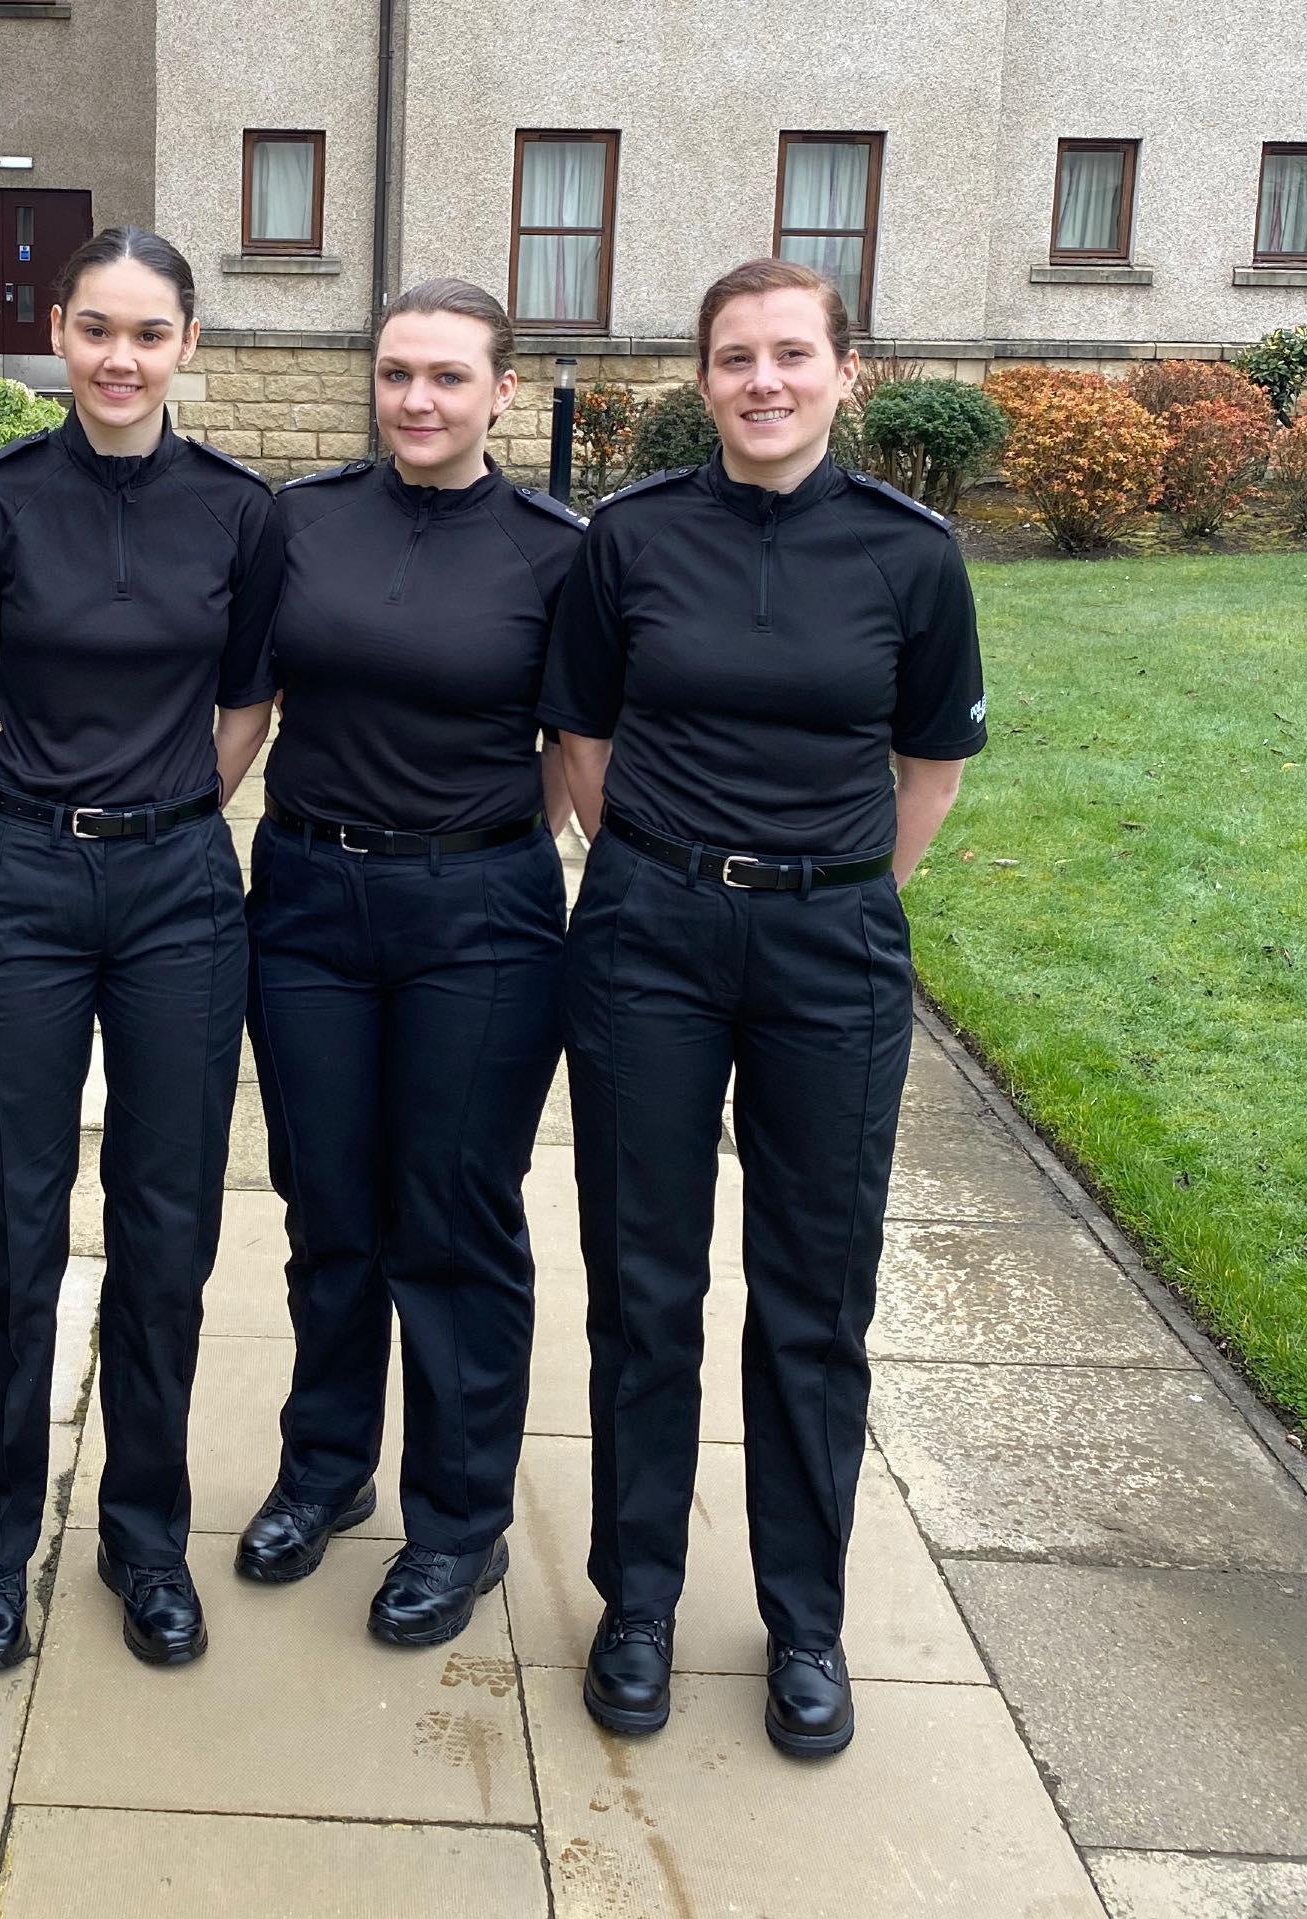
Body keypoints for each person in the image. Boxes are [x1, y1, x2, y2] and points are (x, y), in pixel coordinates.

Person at [541, 258, 985, 1756]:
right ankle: (641, 1602)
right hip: (649, 936)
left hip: (831, 949)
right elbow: (580, 736)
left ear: (847, 370)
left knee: (814, 1297)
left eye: (793, 355)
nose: (764, 383)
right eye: (736, 358)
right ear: (705, 379)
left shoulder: (913, 557)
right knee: (646, 1286)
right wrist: (677, 873)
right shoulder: (632, 540)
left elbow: (930, 768)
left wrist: (837, 889)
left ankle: (807, 1622)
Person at [0, 227, 284, 1671]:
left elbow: (246, 704)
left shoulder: (240, 515)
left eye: (150, 333)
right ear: (59, 336)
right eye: (96, 331)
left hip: (181, 891)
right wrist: (42, 812)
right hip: (22, 881)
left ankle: (145, 1539)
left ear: (187, 344)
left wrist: (171, 813)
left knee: (166, 1228)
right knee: (8, 1231)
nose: (120, 359)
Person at [233, 278, 584, 1648]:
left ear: (502, 390)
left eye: (448, 377)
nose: (418, 401)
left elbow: (574, 753)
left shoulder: (559, 551)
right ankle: (325, 1469)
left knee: (452, 1219)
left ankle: (457, 1521)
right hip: (311, 899)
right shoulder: (301, 522)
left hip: (478, 914)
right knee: (327, 1211)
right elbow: (248, 702)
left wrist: (478, 854)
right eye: (396, 375)